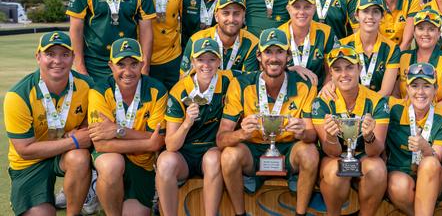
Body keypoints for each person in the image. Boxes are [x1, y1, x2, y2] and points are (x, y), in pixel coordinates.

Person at [217, 28, 319, 216]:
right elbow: (221, 139)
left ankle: (300, 213)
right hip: (254, 150)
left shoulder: (304, 85)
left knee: (310, 153)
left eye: (279, 51)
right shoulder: (241, 84)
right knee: (229, 156)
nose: (274, 58)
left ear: (288, 57)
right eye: (268, 52)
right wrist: (241, 133)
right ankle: (240, 213)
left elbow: (312, 135)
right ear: (259, 56)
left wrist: (302, 132)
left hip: (289, 149)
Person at [4, 31, 93, 216]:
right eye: (50, 54)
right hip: (30, 164)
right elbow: (25, 150)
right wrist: (74, 141)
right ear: (38, 56)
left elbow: (91, 120)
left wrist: (83, 128)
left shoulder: (87, 85)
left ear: (73, 58)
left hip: (64, 157)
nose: (58, 61)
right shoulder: (18, 95)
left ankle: (74, 212)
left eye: (65, 54)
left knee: (79, 158)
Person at [88, 38, 167, 216]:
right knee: (111, 164)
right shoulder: (99, 91)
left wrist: (118, 131)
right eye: (121, 64)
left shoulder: (157, 90)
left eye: (134, 64)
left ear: (143, 64)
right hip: (111, 159)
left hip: (141, 165)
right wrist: (147, 142)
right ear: (111, 66)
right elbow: (101, 145)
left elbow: (158, 140)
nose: (128, 71)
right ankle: (101, 189)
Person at [156, 38, 232, 216]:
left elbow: (258, 75)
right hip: (185, 153)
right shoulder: (179, 90)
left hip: (212, 149)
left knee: (213, 160)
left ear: (219, 62)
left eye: (212, 59)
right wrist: (187, 123)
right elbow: (171, 145)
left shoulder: (229, 80)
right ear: (192, 62)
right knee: (165, 162)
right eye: (201, 59)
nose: (206, 65)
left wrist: (292, 68)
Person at [311, 46, 390, 216]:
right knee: (334, 171)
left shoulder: (377, 101)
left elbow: (376, 151)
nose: (344, 74)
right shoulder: (321, 102)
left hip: (365, 155)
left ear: (359, 69)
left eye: (349, 67)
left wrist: (369, 136)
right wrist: (331, 137)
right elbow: (331, 152)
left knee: (377, 169)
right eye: (337, 69)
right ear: (331, 74)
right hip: (335, 156)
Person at [386, 63, 442, 216]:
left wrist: (425, 147)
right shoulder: (393, 107)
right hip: (400, 173)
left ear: (436, 90)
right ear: (407, 89)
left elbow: (437, 158)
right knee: (399, 185)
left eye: (427, 86)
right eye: (414, 86)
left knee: (429, 162)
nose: (420, 92)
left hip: (432, 178)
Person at [180, 0, 259, 76]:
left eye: (236, 14)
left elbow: (247, 82)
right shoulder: (196, 40)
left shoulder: (253, 43)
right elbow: (184, 78)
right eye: (226, 13)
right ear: (216, 16)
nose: (231, 19)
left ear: (243, 17)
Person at [396, 9, 442, 110]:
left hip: (437, 120)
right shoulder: (402, 58)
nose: (425, 33)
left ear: (439, 33)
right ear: (413, 32)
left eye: (431, 29)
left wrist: (420, 111)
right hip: (405, 117)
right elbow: (395, 95)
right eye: (421, 28)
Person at [339, 0, 400, 96]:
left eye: (375, 12)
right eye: (365, 11)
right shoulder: (342, 46)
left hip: (378, 107)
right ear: (357, 16)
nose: (370, 17)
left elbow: (385, 92)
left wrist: (367, 108)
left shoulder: (392, 48)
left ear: (382, 17)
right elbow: (340, 85)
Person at [278, 0, 337, 89]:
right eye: (296, 7)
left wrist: (323, 95)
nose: (302, 12)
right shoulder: (278, 35)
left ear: (314, 9)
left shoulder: (326, 32)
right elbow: (268, 72)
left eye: (307, 7)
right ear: (288, 9)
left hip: (317, 95)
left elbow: (331, 70)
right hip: (284, 96)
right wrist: (292, 68)